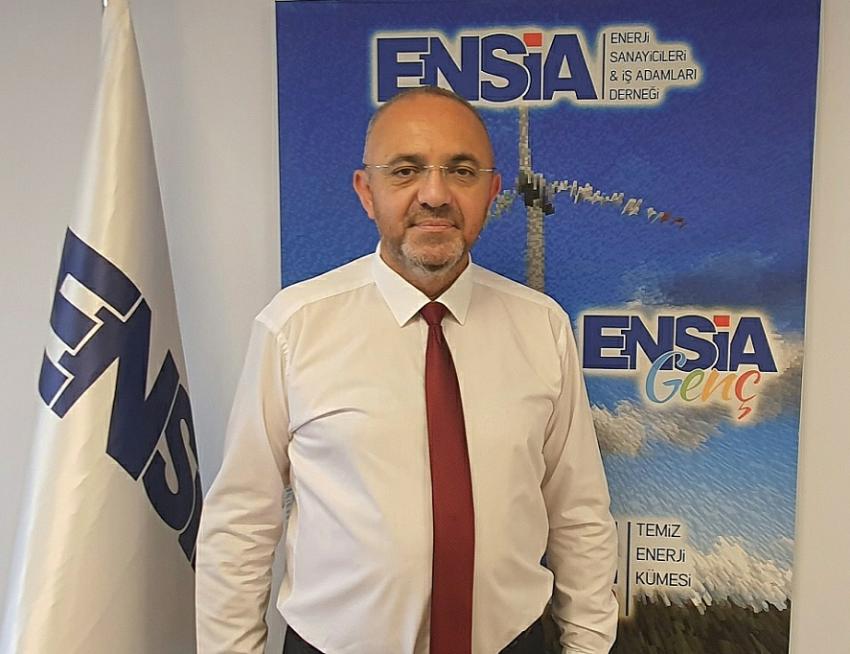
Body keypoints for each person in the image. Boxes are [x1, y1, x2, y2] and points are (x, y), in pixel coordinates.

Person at [196, 87, 618, 654]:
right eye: (405, 171)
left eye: (461, 171)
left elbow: (578, 514)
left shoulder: (543, 327)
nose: (435, 195)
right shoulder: (294, 328)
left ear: (492, 192)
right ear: (366, 192)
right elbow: (241, 522)